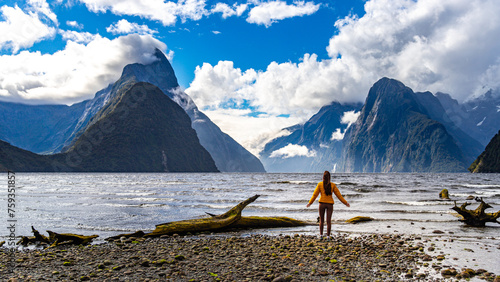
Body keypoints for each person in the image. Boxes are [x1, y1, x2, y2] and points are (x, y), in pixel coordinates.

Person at [306, 171, 350, 237]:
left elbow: (315, 195)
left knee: (321, 220)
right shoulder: (333, 185)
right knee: (328, 221)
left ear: (323, 177)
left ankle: (321, 235)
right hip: (330, 205)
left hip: (322, 204)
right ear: (329, 177)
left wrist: (310, 202)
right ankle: (328, 236)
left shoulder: (320, 184)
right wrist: (345, 203)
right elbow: (339, 196)